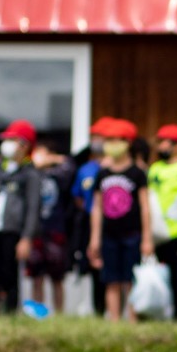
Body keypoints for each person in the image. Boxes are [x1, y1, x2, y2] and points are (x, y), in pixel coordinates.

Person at [88, 119, 153, 321]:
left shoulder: (137, 173)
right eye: (108, 140)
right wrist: (95, 238)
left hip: (132, 234)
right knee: (111, 280)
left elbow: (145, 207)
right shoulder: (102, 174)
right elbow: (97, 208)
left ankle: (132, 320)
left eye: (116, 140)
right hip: (109, 234)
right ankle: (114, 320)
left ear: (127, 143)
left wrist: (147, 239)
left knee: (131, 280)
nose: (111, 144)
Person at [0, 120, 41, 313]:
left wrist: (27, 238)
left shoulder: (31, 174)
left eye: (12, 140)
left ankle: (10, 314)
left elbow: (33, 207)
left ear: (25, 145)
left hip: (12, 231)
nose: (7, 144)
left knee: (8, 276)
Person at [26, 143, 77, 314]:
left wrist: (51, 159)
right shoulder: (31, 174)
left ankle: (59, 314)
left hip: (55, 231)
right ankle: (38, 314)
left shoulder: (58, 174)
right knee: (36, 277)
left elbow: (70, 165)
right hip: (35, 231)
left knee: (57, 277)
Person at [71, 119, 111, 316]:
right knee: (94, 266)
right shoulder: (85, 168)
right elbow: (77, 196)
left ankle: (115, 312)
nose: (96, 141)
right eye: (93, 137)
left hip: (114, 223)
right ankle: (98, 310)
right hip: (90, 222)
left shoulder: (115, 168)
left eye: (100, 137)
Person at [149, 124, 177, 320]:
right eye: (160, 142)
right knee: (158, 275)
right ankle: (158, 313)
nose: (161, 146)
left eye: (165, 142)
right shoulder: (155, 169)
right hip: (157, 232)